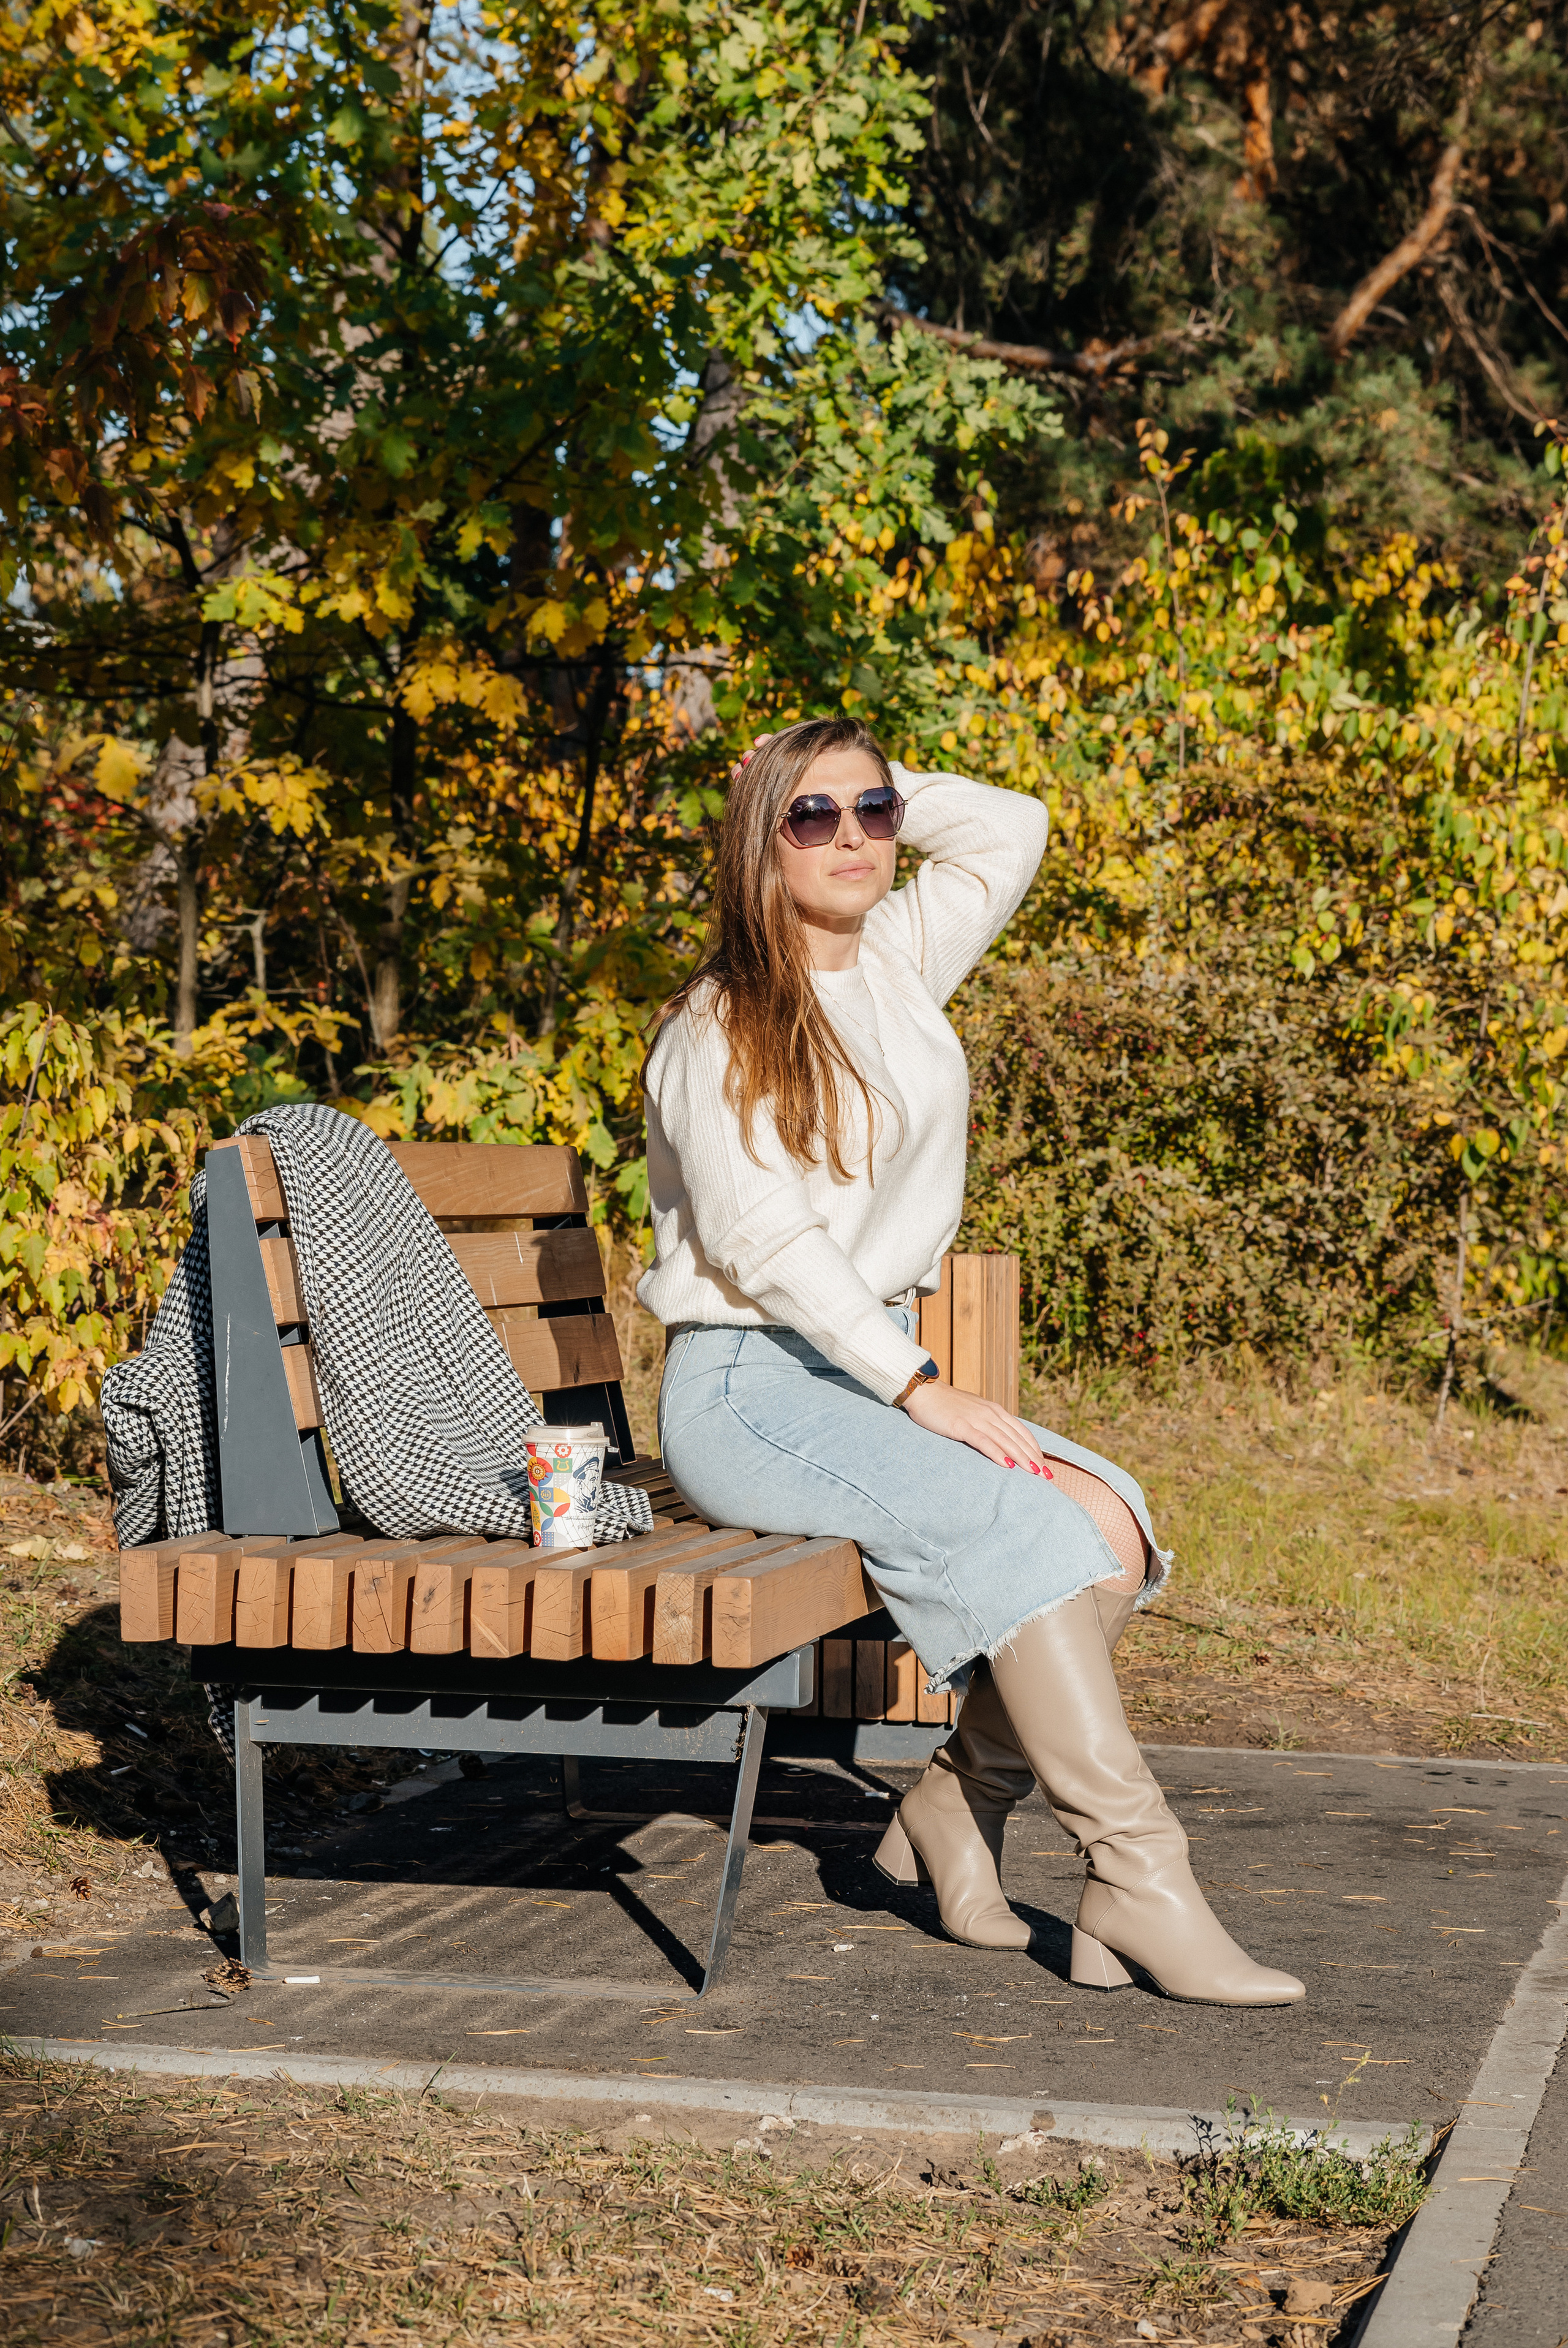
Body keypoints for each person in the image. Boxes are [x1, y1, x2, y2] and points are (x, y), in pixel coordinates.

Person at [638, 717, 1303, 2006]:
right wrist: (915, 1383)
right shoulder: (714, 1025)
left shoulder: (894, 958)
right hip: (748, 1387)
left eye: (870, 813)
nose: (849, 839)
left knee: (1104, 1525)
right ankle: (1138, 1875)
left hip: (855, 1370)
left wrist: (852, 775)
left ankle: (953, 1803)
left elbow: (1011, 825)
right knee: (1016, 1516)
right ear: (755, 844)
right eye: (807, 818)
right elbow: (762, 1242)